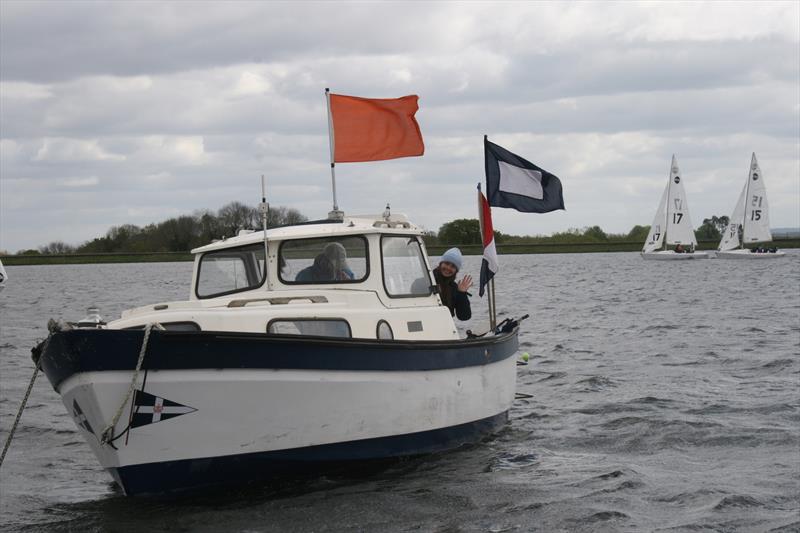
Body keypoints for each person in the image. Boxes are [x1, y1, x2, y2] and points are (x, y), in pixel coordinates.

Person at [432, 247, 472, 321]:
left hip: (445, 326)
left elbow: (464, 317)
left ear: (456, 271)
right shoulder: (426, 281)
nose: (448, 268)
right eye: (446, 263)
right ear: (440, 264)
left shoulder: (455, 288)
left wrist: (462, 294)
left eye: (453, 266)